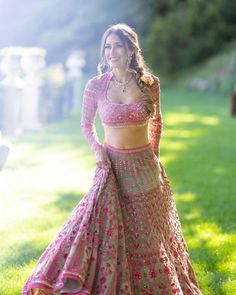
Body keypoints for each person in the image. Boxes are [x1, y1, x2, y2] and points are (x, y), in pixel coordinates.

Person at [22, 23, 202, 295]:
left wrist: (155, 159)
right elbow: (86, 125)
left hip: (144, 168)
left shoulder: (149, 84)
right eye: (107, 46)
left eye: (118, 45)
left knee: (146, 235)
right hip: (111, 167)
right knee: (95, 229)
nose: (112, 52)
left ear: (131, 50)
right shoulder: (95, 85)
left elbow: (157, 124)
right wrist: (98, 151)